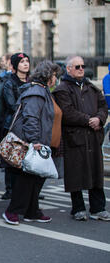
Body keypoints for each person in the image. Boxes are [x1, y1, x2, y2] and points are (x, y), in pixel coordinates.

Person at [2, 60, 60, 225]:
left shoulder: (42, 91)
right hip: (31, 142)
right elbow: (31, 117)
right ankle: (12, 211)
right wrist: (35, 140)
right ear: (48, 76)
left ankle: (32, 211)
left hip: (38, 140)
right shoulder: (36, 92)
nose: (55, 79)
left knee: (35, 177)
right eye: (54, 75)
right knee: (26, 179)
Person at [53, 56, 109, 221]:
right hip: (75, 137)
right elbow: (67, 112)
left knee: (96, 174)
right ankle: (78, 208)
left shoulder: (91, 87)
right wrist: (88, 120)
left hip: (92, 136)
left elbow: (103, 106)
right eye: (77, 66)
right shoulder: (62, 89)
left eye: (83, 66)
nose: (81, 69)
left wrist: (99, 118)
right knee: (76, 174)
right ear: (69, 69)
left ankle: (98, 208)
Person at [1, 52, 30, 200]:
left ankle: (26, 189)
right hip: (13, 124)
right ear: (15, 65)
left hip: (29, 124)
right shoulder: (9, 83)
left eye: (27, 61)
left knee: (27, 158)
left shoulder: (32, 82)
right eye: (22, 61)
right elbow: (12, 105)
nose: (25, 64)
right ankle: (10, 189)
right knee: (11, 159)